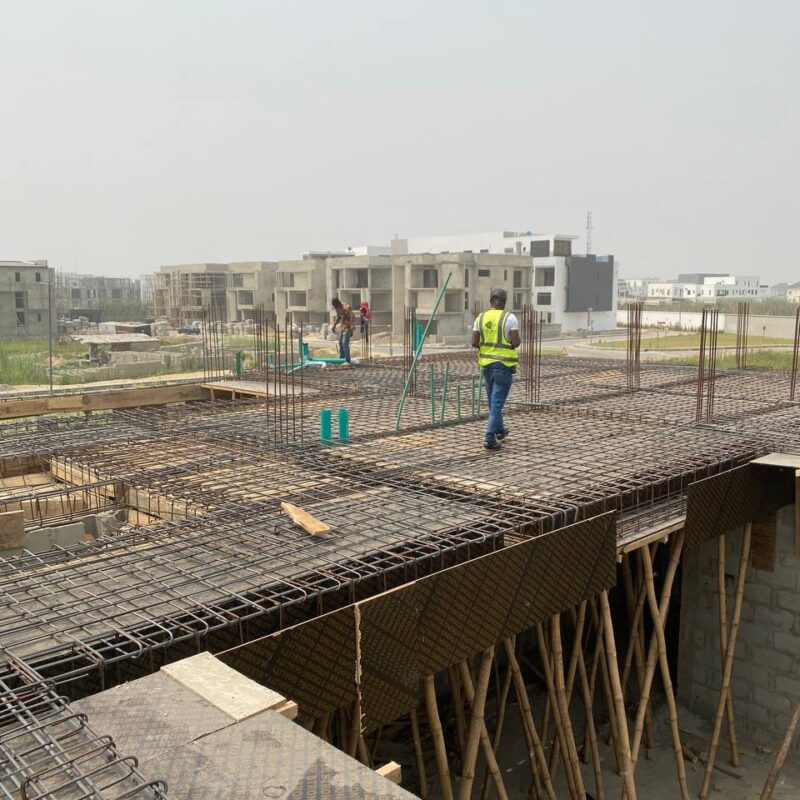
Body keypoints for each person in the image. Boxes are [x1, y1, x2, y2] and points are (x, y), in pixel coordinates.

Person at [471, 288, 521, 450]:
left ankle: (500, 431)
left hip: (486, 366)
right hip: (503, 366)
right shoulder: (510, 318)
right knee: (497, 405)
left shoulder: (481, 317)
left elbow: (474, 342)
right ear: (501, 300)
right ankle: (489, 438)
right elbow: (515, 343)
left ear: (491, 300)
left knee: (494, 403)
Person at [331, 297, 355, 364]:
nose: (336, 308)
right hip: (343, 328)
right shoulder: (337, 308)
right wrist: (334, 325)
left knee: (345, 343)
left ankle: (348, 361)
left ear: (338, 303)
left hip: (348, 328)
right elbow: (338, 317)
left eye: (336, 306)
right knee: (340, 343)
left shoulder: (347, 307)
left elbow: (352, 317)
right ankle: (341, 359)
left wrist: (351, 327)